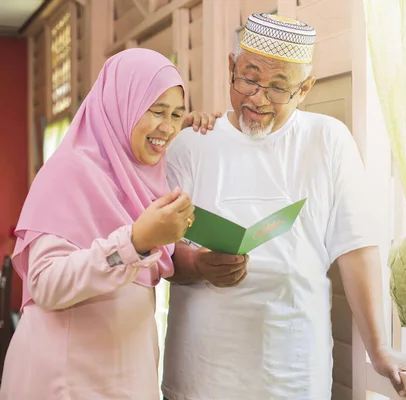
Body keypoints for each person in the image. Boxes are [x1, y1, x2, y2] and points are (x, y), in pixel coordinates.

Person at [162, 13, 406, 400]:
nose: (258, 99)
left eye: (279, 88)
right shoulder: (191, 145)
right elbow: (156, 252)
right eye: (248, 78)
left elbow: (356, 247)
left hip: (294, 371)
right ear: (231, 68)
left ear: (306, 89)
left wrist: (378, 347)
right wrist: (197, 265)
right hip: (202, 373)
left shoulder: (327, 140)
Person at [0, 48, 235, 400]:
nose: (167, 126)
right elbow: (46, 283)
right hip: (64, 381)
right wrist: (134, 243)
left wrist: (195, 130)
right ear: (120, 105)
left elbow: (157, 267)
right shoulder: (70, 171)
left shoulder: (143, 178)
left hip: (125, 375)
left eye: (176, 114)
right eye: (156, 111)